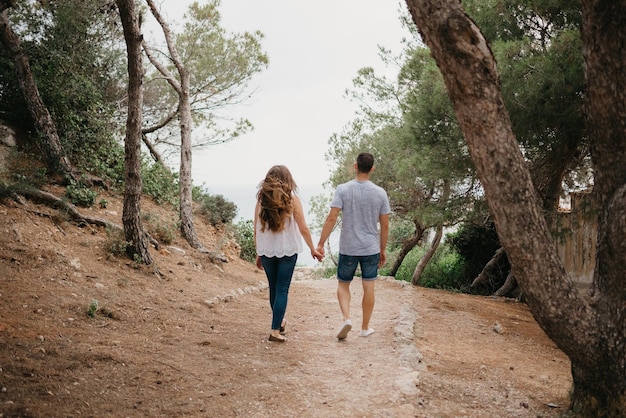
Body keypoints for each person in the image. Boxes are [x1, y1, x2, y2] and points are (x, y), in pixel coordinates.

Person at [316, 152, 390, 340]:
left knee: (343, 284)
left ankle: (347, 318)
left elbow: (332, 217)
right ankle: (365, 328)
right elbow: (385, 224)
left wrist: (321, 243)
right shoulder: (380, 193)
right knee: (369, 287)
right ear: (372, 168)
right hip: (370, 248)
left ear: (355, 166)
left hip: (348, 247)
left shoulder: (342, 189)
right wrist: (382, 249)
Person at [255, 165, 323, 342]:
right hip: (288, 250)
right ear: (288, 180)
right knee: (282, 289)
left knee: (274, 288)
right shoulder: (293, 201)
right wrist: (312, 249)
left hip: (267, 251)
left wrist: (259, 252)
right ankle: (275, 331)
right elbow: (304, 229)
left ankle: (280, 322)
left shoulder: (261, 201)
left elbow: (256, 228)